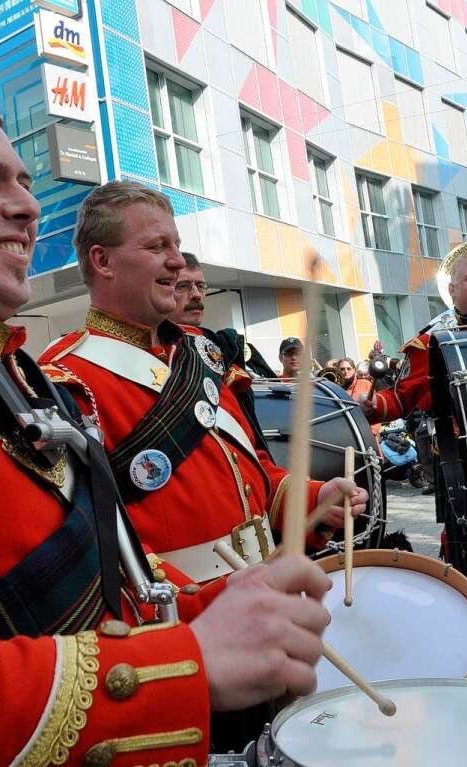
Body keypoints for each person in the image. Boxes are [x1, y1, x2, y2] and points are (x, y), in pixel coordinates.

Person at [0, 90, 332, 767]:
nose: (25, 204)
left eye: (23, 181)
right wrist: (186, 660)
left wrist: (225, 601)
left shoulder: (14, 379)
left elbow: (105, 576)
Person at [40, 181, 367, 582]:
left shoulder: (200, 351)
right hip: (183, 616)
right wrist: (205, 606)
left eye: (176, 246)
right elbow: (88, 540)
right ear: (102, 261)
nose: (177, 262)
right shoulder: (64, 377)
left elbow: (255, 475)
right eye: (158, 247)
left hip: (265, 588)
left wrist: (314, 498)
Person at [358, 247, 467, 423]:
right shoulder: (430, 342)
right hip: (459, 447)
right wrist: (375, 402)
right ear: (452, 289)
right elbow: (400, 399)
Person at [169, 251, 207, 326]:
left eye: (200, 286)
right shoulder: (143, 336)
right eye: (183, 286)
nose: (197, 295)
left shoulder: (211, 337)